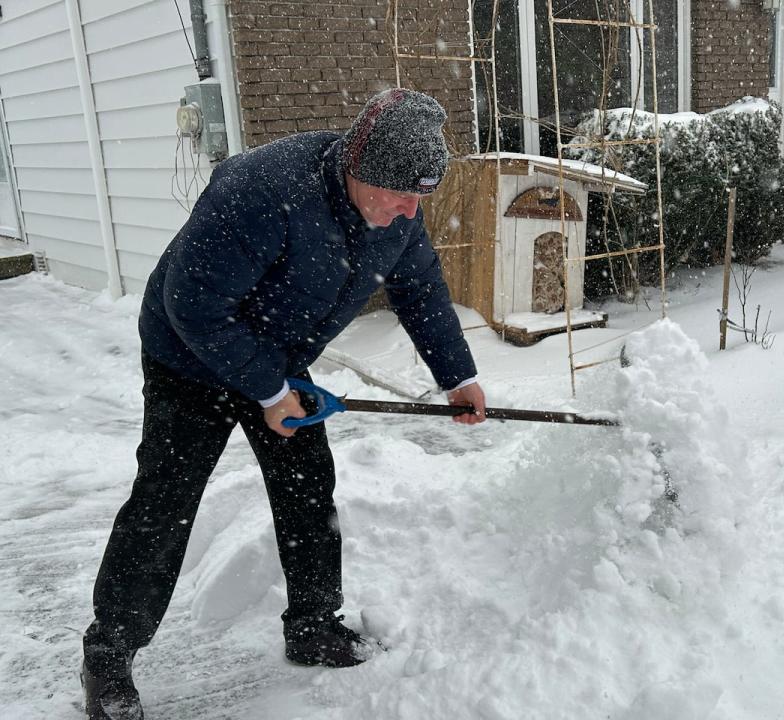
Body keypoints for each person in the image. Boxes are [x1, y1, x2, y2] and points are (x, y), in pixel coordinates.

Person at [81, 88, 486, 720]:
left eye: (420, 199)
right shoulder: (262, 190)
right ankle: (109, 656)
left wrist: (457, 375)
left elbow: (421, 288)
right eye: (400, 196)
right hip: (189, 353)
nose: (410, 213)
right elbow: (196, 307)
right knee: (166, 499)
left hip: (279, 349)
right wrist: (269, 392)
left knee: (306, 489)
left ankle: (313, 627)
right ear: (359, 169)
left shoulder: (398, 216)